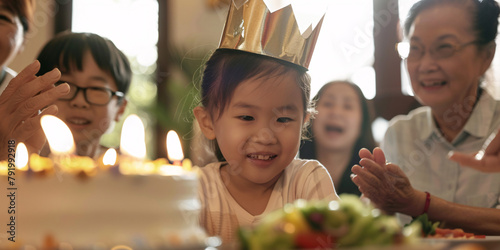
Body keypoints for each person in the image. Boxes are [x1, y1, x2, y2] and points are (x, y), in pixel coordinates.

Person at [351, 0, 500, 235]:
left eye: (444, 48)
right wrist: (375, 202)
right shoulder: (399, 133)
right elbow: (381, 222)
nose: (426, 65)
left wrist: (421, 204)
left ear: (486, 56)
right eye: (415, 49)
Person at [194, 49, 338, 242]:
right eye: (247, 117)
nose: (265, 137)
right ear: (208, 122)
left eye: (283, 119)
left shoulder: (307, 181)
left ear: (303, 123)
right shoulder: (197, 191)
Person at [36, 32, 131, 159]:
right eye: (65, 85)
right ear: (38, 93)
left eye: (96, 88)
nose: (79, 101)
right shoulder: (14, 167)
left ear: (121, 108)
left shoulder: (122, 174)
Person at [0, 0, 71, 161]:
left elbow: (12, 184)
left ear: (23, 39)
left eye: (2, 17)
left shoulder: (28, 107)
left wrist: (10, 161)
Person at [299, 81, 376, 196]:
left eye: (348, 106)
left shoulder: (375, 181)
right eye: (328, 104)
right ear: (310, 116)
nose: (336, 112)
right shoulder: (289, 172)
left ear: (363, 123)